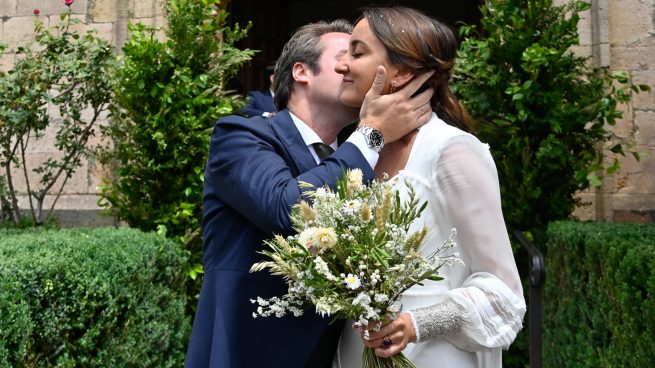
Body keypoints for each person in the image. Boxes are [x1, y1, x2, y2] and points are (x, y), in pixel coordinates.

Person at [184, 18, 435, 367]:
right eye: (345, 54)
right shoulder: (240, 135)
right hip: (245, 353)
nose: (353, 65)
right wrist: (372, 133)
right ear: (302, 72)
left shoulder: (366, 159)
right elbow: (289, 208)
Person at [332, 6, 526, 368]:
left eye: (357, 52)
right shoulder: (356, 153)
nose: (341, 64)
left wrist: (417, 324)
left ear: (401, 73)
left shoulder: (451, 152)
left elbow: (503, 293)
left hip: (431, 356)